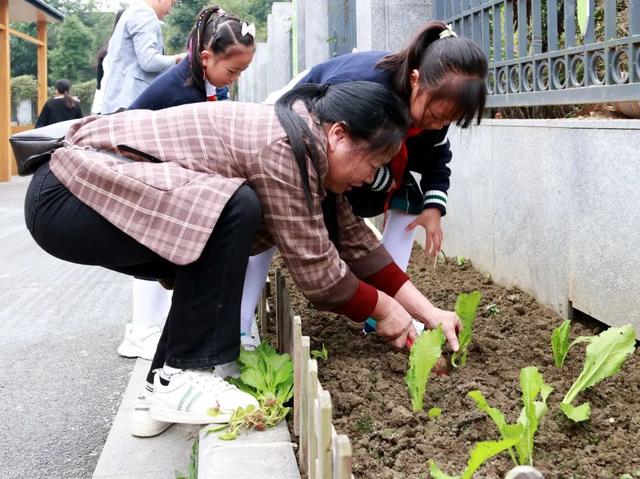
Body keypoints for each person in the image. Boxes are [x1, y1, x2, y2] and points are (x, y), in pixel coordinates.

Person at [24, 81, 461, 436]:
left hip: (75, 196)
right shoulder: (283, 148)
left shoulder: (309, 147)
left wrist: (425, 313)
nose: (371, 178)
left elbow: (357, 245)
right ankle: (182, 374)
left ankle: (158, 389)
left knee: (212, 235)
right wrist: (385, 310)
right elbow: (320, 277)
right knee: (236, 209)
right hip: (68, 194)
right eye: (374, 162)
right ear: (339, 134)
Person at [249, 21, 488, 334]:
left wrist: (432, 207)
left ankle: (387, 316)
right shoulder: (365, 85)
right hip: (297, 135)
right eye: (435, 115)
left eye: (447, 120)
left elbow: (438, 156)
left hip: (356, 165)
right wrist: (375, 178)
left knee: (403, 205)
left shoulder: (433, 112)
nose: (437, 124)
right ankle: (242, 322)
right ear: (415, 80)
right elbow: (320, 137)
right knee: (268, 211)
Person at [128, 6, 257, 355]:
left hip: (174, 170)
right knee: (159, 244)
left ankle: (156, 327)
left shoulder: (209, 81)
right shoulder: (178, 92)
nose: (235, 78)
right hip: (145, 168)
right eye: (232, 70)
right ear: (205, 57)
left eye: (242, 71)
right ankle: (141, 329)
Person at [98, 0, 182, 361]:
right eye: (172, 1)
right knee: (148, 222)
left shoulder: (129, 16)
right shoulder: (144, 15)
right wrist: (179, 61)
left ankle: (147, 325)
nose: (172, 8)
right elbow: (150, 62)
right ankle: (144, 329)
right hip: (132, 122)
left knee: (143, 222)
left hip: (118, 117)